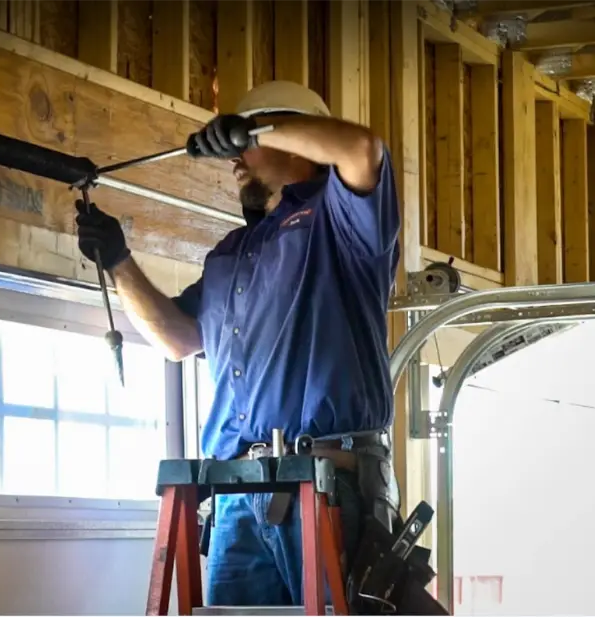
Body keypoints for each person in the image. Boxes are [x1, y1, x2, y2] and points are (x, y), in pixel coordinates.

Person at [74, 80, 401, 607]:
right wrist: (118, 261)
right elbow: (177, 340)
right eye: (237, 141)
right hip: (236, 495)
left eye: (246, 140)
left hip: (324, 485)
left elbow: (362, 149)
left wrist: (257, 128)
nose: (234, 158)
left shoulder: (340, 222)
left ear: (297, 141)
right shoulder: (231, 254)